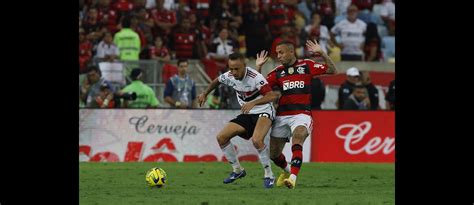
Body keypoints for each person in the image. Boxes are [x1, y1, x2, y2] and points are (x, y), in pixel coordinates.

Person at [255, 40, 338, 189]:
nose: (278, 56)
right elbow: (261, 89)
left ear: (291, 52)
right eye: (277, 53)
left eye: (281, 52)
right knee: (274, 154)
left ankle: (292, 178)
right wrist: (258, 69)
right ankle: (287, 171)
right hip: (281, 115)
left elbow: (332, 70)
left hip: (302, 114)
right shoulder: (277, 72)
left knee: (298, 138)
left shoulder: (307, 65)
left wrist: (322, 53)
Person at [197, 52, 280, 188]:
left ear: (244, 66)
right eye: (231, 68)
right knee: (221, 137)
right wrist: (205, 93)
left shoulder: (255, 77)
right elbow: (216, 81)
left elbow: (272, 96)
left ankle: (269, 174)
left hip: (264, 111)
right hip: (247, 113)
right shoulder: (229, 76)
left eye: (237, 68)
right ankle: (237, 170)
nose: (234, 72)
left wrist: (254, 103)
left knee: (257, 140)